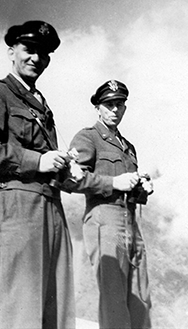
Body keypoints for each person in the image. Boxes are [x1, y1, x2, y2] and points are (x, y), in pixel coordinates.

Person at [0, 20, 76, 329]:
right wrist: (37, 161)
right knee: (22, 311)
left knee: (58, 309)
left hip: (52, 208)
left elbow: (46, 159)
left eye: (43, 54)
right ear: (12, 51)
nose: (35, 59)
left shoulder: (42, 105)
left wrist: (64, 167)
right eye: (29, 50)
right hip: (16, 207)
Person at [63, 80, 153, 329]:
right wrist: (114, 182)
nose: (115, 110)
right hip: (104, 219)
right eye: (109, 104)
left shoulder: (128, 147)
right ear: (98, 107)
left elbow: (128, 187)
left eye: (119, 104)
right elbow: (70, 179)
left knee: (140, 296)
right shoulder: (88, 137)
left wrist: (141, 189)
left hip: (131, 221)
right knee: (114, 296)